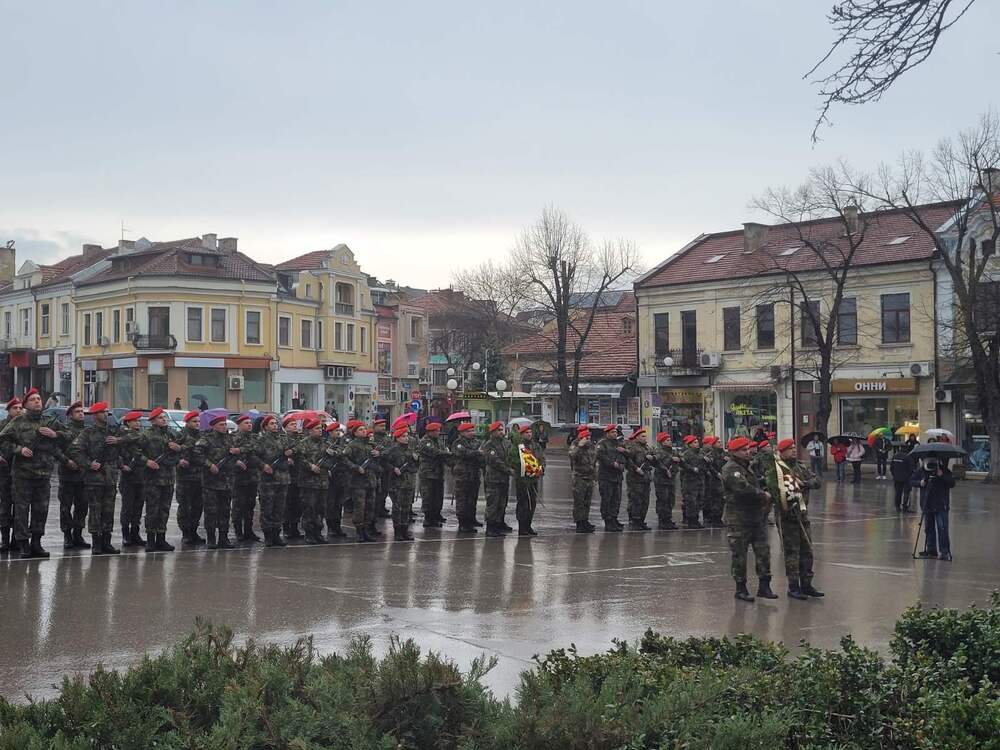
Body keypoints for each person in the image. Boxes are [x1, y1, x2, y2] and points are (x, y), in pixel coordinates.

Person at [0, 388, 63, 558]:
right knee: (21, 510)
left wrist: (55, 434)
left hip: (43, 475)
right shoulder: (18, 422)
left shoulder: (50, 421)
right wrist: (19, 449)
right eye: (33, 399)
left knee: (41, 510)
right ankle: (23, 545)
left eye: (39, 399)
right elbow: (2, 440)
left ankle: (37, 543)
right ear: (26, 404)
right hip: (23, 475)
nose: (37, 401)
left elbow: (70, 436)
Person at [764, 438, 823, 600]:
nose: (794, 450)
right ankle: (793, 586)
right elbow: (775, 492)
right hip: (786, 516)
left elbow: (817, 481)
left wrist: (803, 484)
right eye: (790, 448)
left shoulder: (800, 466)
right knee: (792, 552)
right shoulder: (775, 470)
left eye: (795, 448)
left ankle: (807, 584)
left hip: (802, 514)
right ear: (782, 452)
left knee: (807, 550)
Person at [721, 437, 776, 602]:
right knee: (740, 555)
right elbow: (742, 489)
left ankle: (764, 586)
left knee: (763, 551)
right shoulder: (731, 468)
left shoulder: (747, 467)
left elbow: (752, 483)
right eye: (743, 450)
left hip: (755, 517)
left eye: (747, 449)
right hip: (738, 518)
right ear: (734, 452)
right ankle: (741, 588)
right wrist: (763, 494)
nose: (748, 452)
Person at [69, 402, 123, 554]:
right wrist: (87, 464)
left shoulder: (113, 431)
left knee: (108, 511)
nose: (106, 414)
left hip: (111, 477)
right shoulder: (87, 433)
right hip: (94, 479)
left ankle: (107, 542)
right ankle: (96, 543)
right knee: (95, 511)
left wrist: (119, 440)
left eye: (106, 412)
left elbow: (134, 436)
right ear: (95, 415)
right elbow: (74, 451)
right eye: (102, 412)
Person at [195, 414, 239, 549]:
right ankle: (211, 538)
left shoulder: (231, 439)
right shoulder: (206, 439)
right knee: (211, 511)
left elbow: (241, 452)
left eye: (225, 424)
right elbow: (197, 454)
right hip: (211, 482)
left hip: (227, 481)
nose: (224, 427)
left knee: (225, 510)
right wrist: (209, 465)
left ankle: (223, 538)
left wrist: (238, 451)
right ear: (213, 426)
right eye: (221, 424)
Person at [142, 407, 183, 551]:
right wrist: (147, 461)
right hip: (153, 478)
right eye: (160, 418)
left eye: (165, 417)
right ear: (153, 420)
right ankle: (150, 540)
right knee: (152, 509)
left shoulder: (172, 434)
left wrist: (178, 448)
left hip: (169, 478)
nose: (164, 419)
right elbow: (135, 452)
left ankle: (161, 538)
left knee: (164, 509)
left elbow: (183, 448)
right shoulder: (146, 435)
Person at [292, 416, 330, 545]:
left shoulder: (325, 443)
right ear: (310, 430)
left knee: (321, 509)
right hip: (308, 482)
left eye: (321, 428)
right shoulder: (303, 443)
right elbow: (299, 459)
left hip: (323, 481)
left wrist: (333, 454)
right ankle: (309, 533)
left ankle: (318, 532)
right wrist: (310, 466)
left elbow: (335, 455)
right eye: (317, 428)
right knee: (309, 508)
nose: (320, 430)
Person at [256, 414, 291, 547]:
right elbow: (253, 457)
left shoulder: (284, 439)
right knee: (267, 508)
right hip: (268, 480)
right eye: (271, 423)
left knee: (279, 508)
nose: (275, 425)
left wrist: (289, 453)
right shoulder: (261, 440)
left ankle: (277, 534)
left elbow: (297, 448)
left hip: (283, 479)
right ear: (265, 426)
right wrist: (263, 465)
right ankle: (268, 536)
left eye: (276, 423)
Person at [913, 458, 956, 561]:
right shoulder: (922, 471)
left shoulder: (944, 471)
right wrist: (920, 482)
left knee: (942, 529)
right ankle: (931, 550)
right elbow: (911, 480)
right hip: (927, 504)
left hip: (941, 504)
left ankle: (944, 552)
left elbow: (952, 483)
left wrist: (942, 476)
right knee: (929, 528)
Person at [341, 420, 376, 542]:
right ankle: (359, 531)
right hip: (358, 481)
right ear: (355, 433)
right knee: (359, 507)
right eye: (360, 430)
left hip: (370, 480)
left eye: (364, 429)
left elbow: (378, 460)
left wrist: (378, 454)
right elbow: (344, 458)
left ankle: (366, 530)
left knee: (370, 507)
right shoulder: (352, 445)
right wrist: (355, 467)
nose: (364, 431)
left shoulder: (370, 445)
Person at [384, 425, 419, 541]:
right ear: (397, 438)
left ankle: (405, 530)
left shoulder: (410, 451)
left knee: (406, 507)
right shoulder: (392, 450)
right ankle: (397, 531)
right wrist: (393, 468)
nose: (406, 438)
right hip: (397, 484)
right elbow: (384, 463)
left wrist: (416, 459)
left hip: (408, 482)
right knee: (397, 508)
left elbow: (416, 466)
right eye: (403, 436)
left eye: (407, 436)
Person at [175, 410, 205, 545]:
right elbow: (170, 452)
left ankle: (193, 531)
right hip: (185, 477)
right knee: (185, 506)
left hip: (200, 476)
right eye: (194, 421)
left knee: (198, 506)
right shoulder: (180, 435)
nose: (197, 424)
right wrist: (179, 461)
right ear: (187, 422)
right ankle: (186, 533)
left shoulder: (202, 436)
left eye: (198, 421)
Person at [117, 411, 147, 547]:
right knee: (127, 508)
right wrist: (122, 466)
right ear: (128, 422)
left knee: (138, 507)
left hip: (141, 477)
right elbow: (116, 453)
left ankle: (135, 534)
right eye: (135, 421)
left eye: (139, 421)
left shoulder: (139, 436)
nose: (138, 423)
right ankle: (125, 535)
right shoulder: (123, 434)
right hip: (128, 478)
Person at [231, 414, 261, 542]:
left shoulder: (254, 438)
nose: (249, 425)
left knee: (250, 505)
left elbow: (257, 448)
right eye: (246, 423)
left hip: (252, 476)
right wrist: (236, 460)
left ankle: (249, 531)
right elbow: (228, 452)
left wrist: (241, 449)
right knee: (238, 505)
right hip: (238, 477)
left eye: (250, 423)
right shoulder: (232, 438)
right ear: (239, 424)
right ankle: (238, 531)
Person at [0, 397, 23, 554]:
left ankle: (16, 539)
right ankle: (5, 540)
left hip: (21, 473)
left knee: (20, 508)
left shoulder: (24, 427)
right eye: (15, 408)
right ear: (9, 410)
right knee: (5, 507)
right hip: (4, 472)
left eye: (21, 408)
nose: (19, 410)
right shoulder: (2, 426)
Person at [450, 421, 483, 533]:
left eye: (472, 430)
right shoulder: (458, 443)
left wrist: (478, 454)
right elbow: (464, 453)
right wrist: (477, 452)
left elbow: (480, 454)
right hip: (462, 475)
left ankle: (471, 519)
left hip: (474, 474)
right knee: (462, 499)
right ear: (462, 433)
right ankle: (463, 523)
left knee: (472, 499)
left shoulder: (476, 441)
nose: (471, 433)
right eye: (468, 431)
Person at [483, 421, 514, 537]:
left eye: (503, 430)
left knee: (502, 503)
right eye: (499, 430)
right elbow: (495, 461)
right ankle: (490, 527)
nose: (502, 432)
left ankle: (498, 523)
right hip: (493, 479)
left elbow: (512, 456)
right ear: (493, 432)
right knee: (493, 504)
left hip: (504, 479)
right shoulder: (489, 445)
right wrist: (508, 470)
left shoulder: (506, 443)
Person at [512, 424, 543, 536]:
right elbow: (514, 460)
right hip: (522, 480)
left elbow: (541, 459)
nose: (529, 434)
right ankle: (522, 527)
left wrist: (540, 469)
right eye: (526, 433)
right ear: (521, 434)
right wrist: (525, 468)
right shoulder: (518, 447)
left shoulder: (536, 446)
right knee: (523, 503)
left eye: (530, 432)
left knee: (532, 503)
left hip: (533, 479)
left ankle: (528, 525)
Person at [417, 420, 449, 527]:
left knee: (437, 496)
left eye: (438, 430)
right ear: (429, 432)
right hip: (428, 473)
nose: (438, 433)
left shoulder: (439, 441)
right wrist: (449, 454)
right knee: (428, 496)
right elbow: (435, 453)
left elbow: (443, 451)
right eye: (436, 431)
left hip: (438, 473)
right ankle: (428, 518)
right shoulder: (425, 441)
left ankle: (435, 516)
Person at [595, 424, 625, 531]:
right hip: (606, 476)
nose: (615, 434)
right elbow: (601, 456)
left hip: (617, 476)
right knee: (607, 499)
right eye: (612, 432)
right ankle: (608, 520)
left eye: (616, 432)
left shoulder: (619, 444)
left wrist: (621, 464)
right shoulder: (602, 444)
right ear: (607, 433)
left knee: (616, 499)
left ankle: (614, 518)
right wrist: (613, 464)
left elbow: (624, 456)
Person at [568, 425, 597, 533]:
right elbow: (572, 456)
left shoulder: (591, 447)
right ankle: (579, 523)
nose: (588, 440)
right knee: (579, 501)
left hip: (589, 477)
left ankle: (585, 520)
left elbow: (593, 462)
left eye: (589, 437)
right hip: (579, 477)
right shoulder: (575, 445)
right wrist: (580, 446)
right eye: (587, 437)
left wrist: (595, 476)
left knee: (587, 501)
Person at [322, 421, 348, 538]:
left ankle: (337, 526)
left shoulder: (341, 443)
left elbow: (343, 454)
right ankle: (331, 527)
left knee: (339, 503)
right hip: (331, 476)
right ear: (330, 432)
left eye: (339, 431)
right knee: (330, 503)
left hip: (341, 476)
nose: (338, 433)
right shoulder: (325, 444)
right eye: (336, 431)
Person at [624, 428, 653, 530]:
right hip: (635, 478)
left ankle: (641, 520)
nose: (645, 438)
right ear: (637, 437)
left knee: (645, 501)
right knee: (636, 500)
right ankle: (634, 521)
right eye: (643, 436)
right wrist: (635, 468)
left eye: (646, 436)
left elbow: (654, 458)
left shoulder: (647, 448)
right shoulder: (632, 447)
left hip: (646, 478)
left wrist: (652, 458)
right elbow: (627, 460)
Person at [282, 414, 304, 539]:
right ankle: (286, 527)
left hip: (299, 475)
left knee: (298, 503)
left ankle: (295, 527)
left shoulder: (300, 439)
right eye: (292, 424)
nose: (295, 426)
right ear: (286, 427)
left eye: (295, 424)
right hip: (287, 475)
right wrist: (287, 459)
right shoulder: (283, 439)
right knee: (287, 503)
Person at [652, 432, 679, 530]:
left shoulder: (673, 451)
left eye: (670, 439)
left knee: (670, 500)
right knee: (663, 500)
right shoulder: (659, 451)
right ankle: (662, 520)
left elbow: (680, 458)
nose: (670, 441)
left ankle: (668, 519)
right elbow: (656, 461)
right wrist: (666, 467)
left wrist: (677, 459)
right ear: (662, 442)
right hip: (661, 480)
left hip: (671, 479)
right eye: (667, 440)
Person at [679, 435, 705, 529]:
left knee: (699, 500)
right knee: (691, 501)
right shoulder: (686, 454)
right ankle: (691, 520)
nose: (697, 444)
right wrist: (692, 469)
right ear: (689, 444)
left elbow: (703, 464)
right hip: (690, 481)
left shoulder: (700, 453)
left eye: (697, 442)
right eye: (694, 442)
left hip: (699, 480)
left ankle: (696, 519)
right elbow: (682, 464)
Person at [701, 436, 725, 527]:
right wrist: (716, 473)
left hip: (721, 479)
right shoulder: (711, 454)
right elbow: (709, 466)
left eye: (721, 442)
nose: (721, 443)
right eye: (718, 442)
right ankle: (713, 518)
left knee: (721, 499)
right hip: (712, 480)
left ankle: (718, 518)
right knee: (713, 499)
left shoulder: (722, 454)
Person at [890, 447, 915, 512]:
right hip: (906, 478)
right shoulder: (908, 457)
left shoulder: (895, 456)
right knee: (906, 493)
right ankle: (905, 507)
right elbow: (911, 469)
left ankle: (897, 506)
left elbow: (891, 467)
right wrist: (909, 476)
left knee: (898, 492)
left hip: (897, 478)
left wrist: (894, 475)